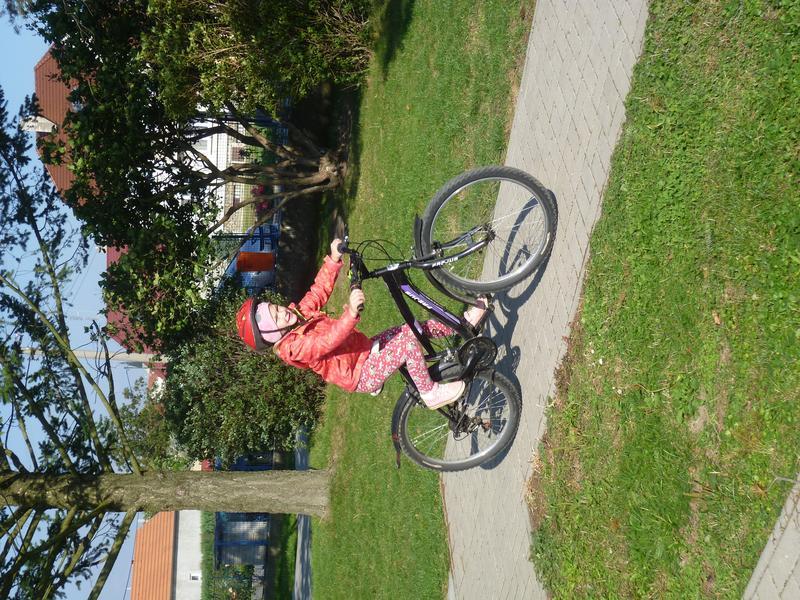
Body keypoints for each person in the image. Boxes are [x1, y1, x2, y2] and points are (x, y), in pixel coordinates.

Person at [237, 238, 487, 409]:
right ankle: (430, 392)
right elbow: (326, 342)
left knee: (411, 328)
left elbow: (318, 291)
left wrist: (333, 258)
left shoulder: (299, 315)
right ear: (272, 335)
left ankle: (463, 324)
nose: (282, 312)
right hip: (361, 374)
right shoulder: (293, 348)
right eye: (276, 318)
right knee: (408, 345)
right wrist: (350, 313)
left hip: (365, 351)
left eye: (276, 308)